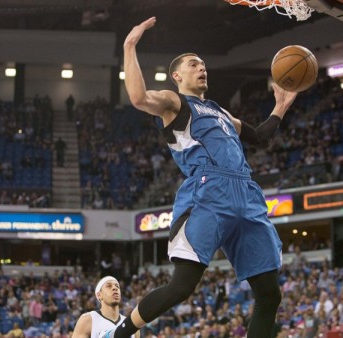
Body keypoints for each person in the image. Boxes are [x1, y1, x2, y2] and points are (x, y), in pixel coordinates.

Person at [101, 17, 298, 338]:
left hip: (246, 194)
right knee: (182, 286)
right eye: (194, 64)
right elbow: (138, 98)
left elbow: (260, 138)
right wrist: (129, 45)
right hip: (209, 192)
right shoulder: (174, 102)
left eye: (204, 64)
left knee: (269, 293)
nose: (202, 67)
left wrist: (280, 107)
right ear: (177, 75)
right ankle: (120, 333)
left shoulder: (221, 112)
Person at [71, 276, 140, 338]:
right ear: (99, 295)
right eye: (109, 286)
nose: (115, 288)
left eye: (117, 286)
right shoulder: (88, 319)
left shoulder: (131, 324)